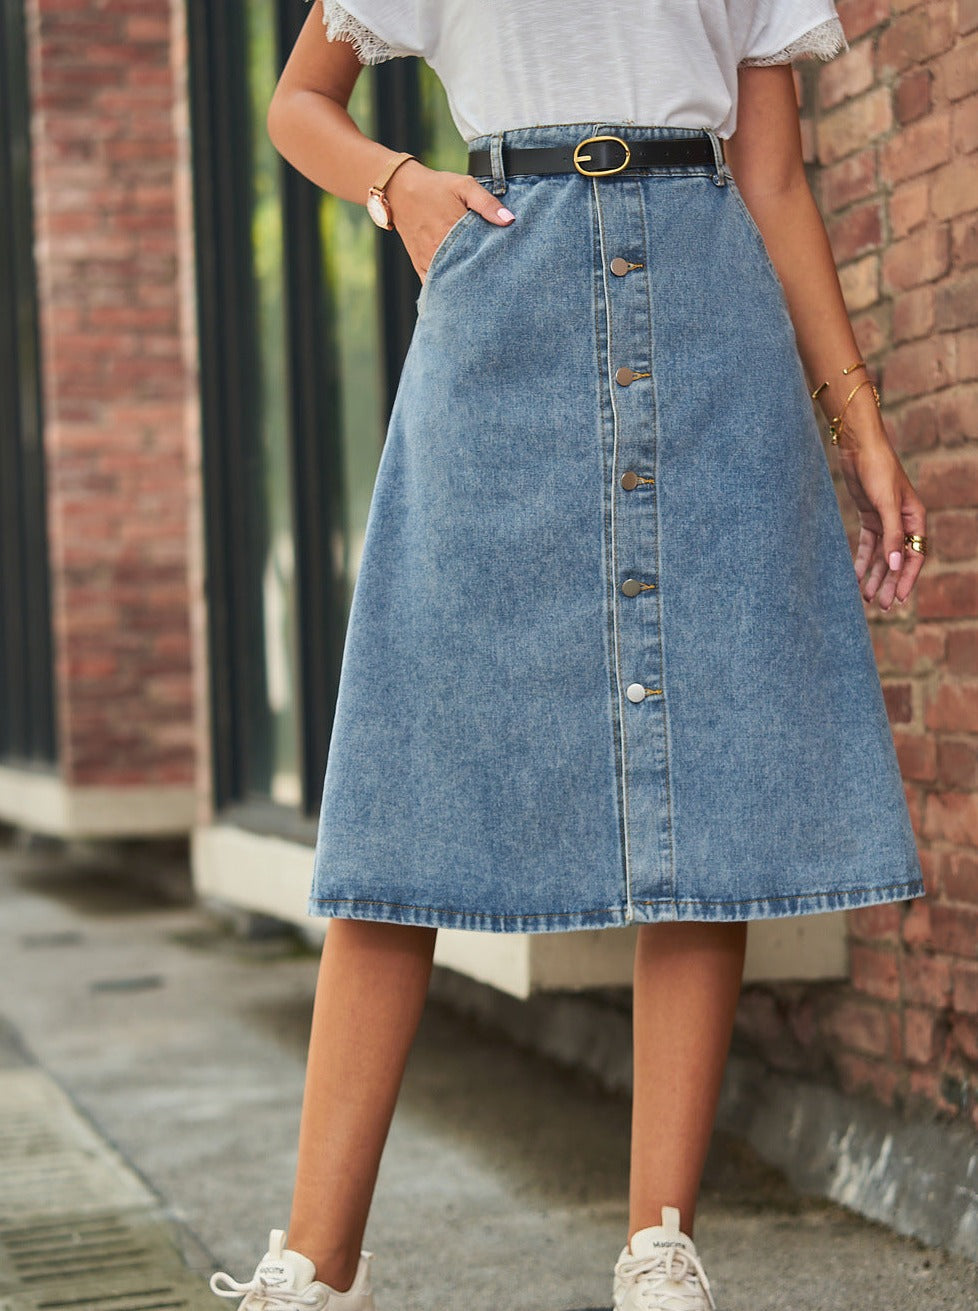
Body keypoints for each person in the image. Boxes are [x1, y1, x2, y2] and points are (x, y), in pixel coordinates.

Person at [208, 2, 929, 1308]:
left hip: (711, 335)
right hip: (504, 312)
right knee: (416, 764)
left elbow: (770, 177)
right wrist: (399, 189)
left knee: (695, 781)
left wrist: (857, 426)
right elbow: (294, 103)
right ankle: (313, 1262)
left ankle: (659, 1241)